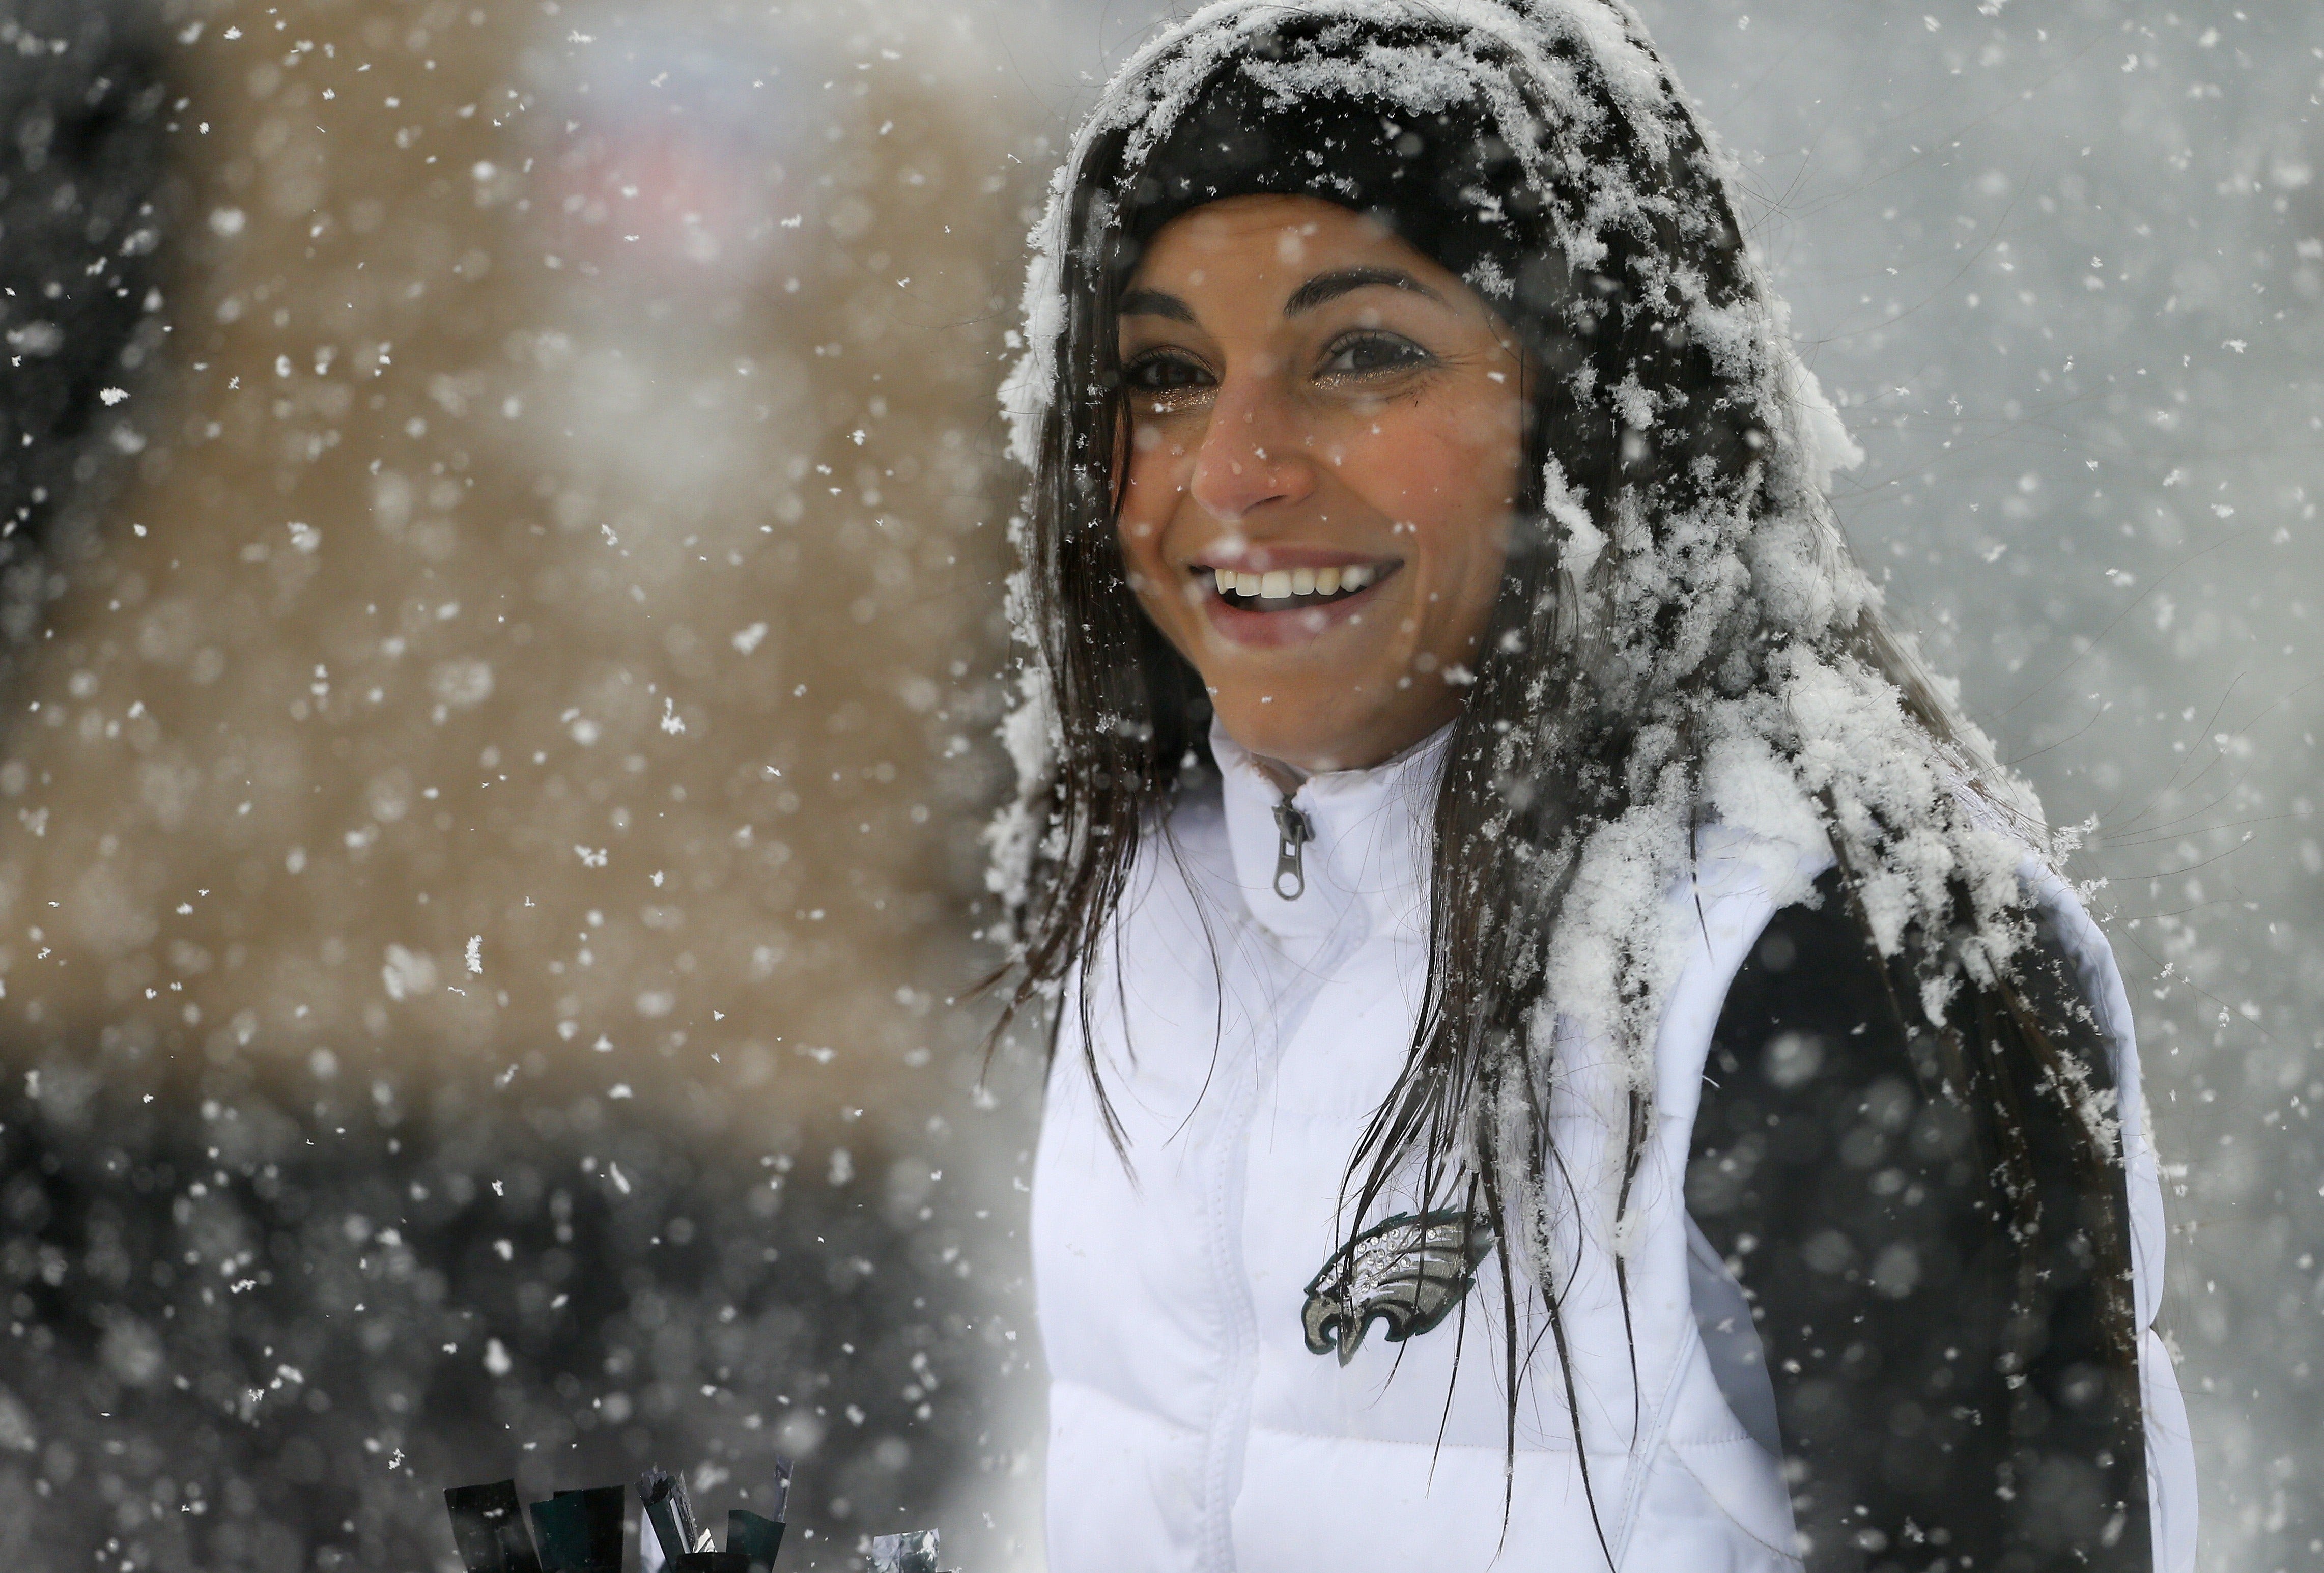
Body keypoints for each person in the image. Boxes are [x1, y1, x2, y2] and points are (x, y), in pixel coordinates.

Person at [983, 4, 2195, 1569]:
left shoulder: (1816, 948)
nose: (1232, 470)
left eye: (1362, 353)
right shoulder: (1162, 902)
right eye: (1162, 374)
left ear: (1594, 408)